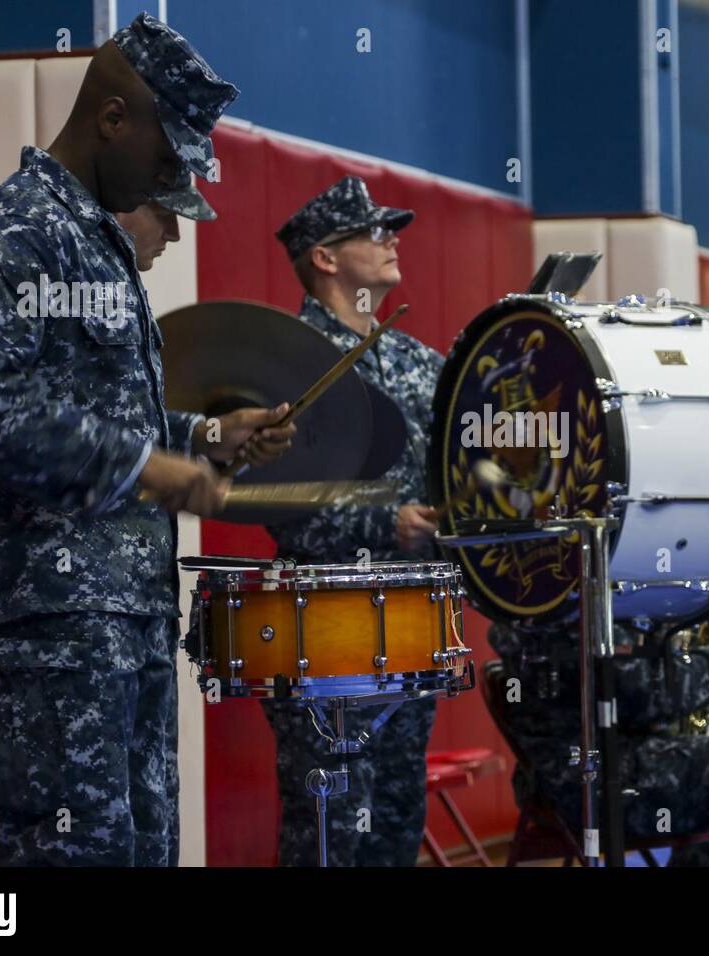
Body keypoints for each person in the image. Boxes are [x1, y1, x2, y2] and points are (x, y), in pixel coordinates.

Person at [0, 14, 294, 866]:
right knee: (70, 854)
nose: (171, 183)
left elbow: (99, 414)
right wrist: (139, 466)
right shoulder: (13, 235)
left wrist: (200, 434)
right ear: (112, 118)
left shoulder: (97, 245)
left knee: (142, 848)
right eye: (167, 162)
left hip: (126, 610)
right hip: (50, 618)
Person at [262, 176, 443, 866]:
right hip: (326, 624)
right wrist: (382, 525)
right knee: (335, 828)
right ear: (325, 258)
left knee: (397, 818)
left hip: (412, 619)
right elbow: (279, 496)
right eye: (373, 231)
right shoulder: (286, 358)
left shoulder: (418, 360)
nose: (392, 239)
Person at [489, 599, 709, 866]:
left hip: (588, 768)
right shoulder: (573, 601)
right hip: (590, 783)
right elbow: (645, 695)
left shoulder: (537, 596)